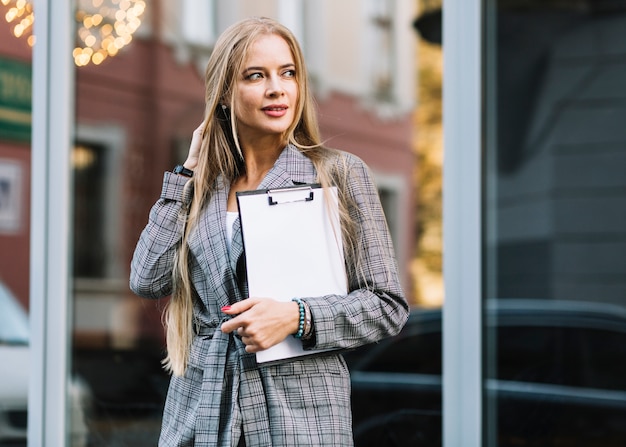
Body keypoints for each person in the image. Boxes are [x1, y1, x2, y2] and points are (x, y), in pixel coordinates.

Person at [130, 16, 409, 447]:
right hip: (203, 411)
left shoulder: (338, 173)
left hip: (298, 415)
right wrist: (186, 174)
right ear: (225, 93)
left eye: (288, 73)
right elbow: (146, 278)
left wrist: (297, 316)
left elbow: (387, 305)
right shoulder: (205, 186)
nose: (277, 88)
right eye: (255, 76)